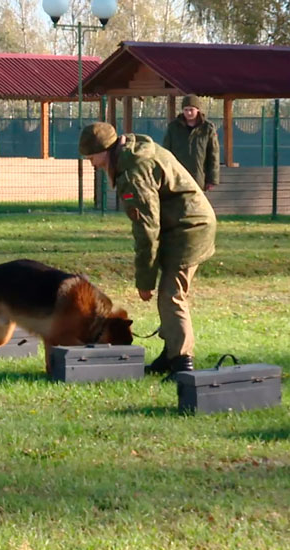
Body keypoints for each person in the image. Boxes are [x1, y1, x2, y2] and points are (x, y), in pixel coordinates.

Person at [79, 122, 217, 376]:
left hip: (189, 228)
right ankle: (170, 352)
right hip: (178, 225)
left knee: (170, 295)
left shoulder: (133, 173)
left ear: (106, 150)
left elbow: (146, 230)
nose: (92, 164)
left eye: (92, 157)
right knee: (169, 293)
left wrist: (145, 280)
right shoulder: (133, 151)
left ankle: (182, 363)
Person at [161, 95, 220, 192]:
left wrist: (212, 180)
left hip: (199, 176)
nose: (188, 113)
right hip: (177, 176)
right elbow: (166, 152)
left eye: (191, 110)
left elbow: (213, 155)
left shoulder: (207, 128)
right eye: (186, 110)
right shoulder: (173, 128)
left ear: (197, 110)